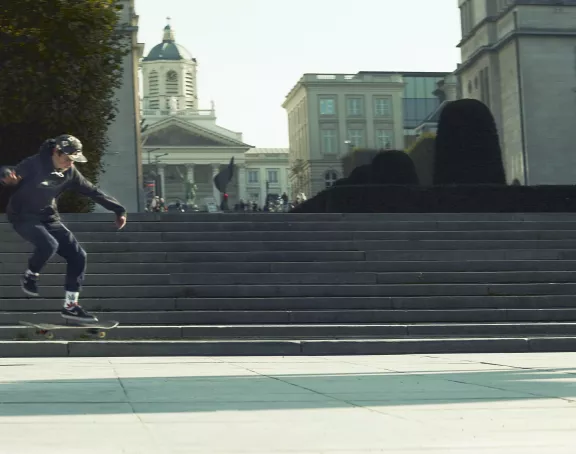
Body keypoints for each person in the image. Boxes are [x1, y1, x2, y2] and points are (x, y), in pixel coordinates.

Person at [0, 134, 127, 323]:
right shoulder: (35, 164)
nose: (69, 164)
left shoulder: (71, 173)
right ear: (55, 152)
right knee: (48, 245)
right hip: (22, 217)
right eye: (67, 159)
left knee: (79, 256)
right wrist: (5, 176)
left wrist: (118, 209)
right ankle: (30, 275)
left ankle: (71, 306)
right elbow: (12, 172)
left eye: (73, 160)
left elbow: (92, 191)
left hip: (49, 217)